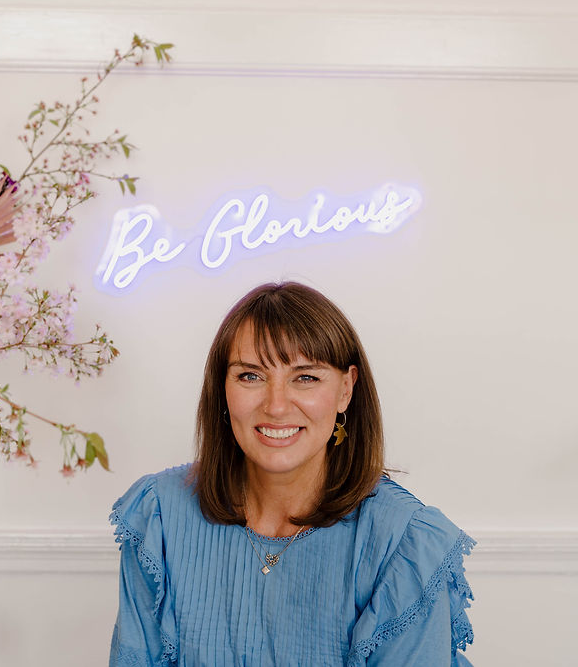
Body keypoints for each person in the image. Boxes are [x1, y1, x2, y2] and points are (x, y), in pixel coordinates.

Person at [109, 282, 475, 666]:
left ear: (346, 389)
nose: (276, 406)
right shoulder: (159, 515)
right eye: (250, 376)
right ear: (223, 387)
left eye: (306, 377)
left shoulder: (402, 541)